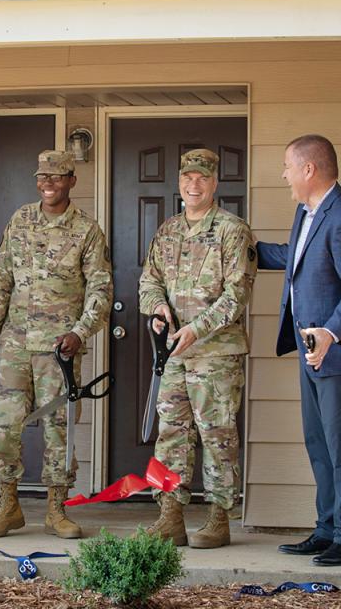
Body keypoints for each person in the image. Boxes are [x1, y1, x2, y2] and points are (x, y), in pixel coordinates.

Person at [0, 150, 113, 540]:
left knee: (59, 427)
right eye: (42, 177)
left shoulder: (87, 230)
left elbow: (101, 291)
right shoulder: (20, 220)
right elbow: (1, 278)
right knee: (2, 423)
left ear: (72, 180)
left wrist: (81, 332)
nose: (48, 183)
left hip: (60, 348)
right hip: (15, 344)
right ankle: (8, 505)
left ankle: (56, 509)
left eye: (57, 177)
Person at [138, 148, 257, 549]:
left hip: (216, 354)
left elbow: (237, 294)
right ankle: (170, 516)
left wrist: (196, 328)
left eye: (202, 178)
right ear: (178, 182)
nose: (194, 184)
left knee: (217, 434)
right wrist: (156, 307)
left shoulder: (231, 230)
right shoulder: (167, 231)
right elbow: (149, 280)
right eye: (188, 177)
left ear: (214, 184)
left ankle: (218, 518)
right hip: (174, 353)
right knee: (171, 433)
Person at [257, 135, 341, 566]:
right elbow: (295, 258)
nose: (284, 174)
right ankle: (327, 529)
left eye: (288, 166)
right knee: (317, 443)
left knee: (338, 446)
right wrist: (242, 248)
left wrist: (330, 332)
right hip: (310, 353)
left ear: (309, 169)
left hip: (334, 354)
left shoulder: (340, 214)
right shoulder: (306, 212)